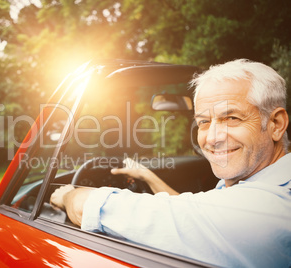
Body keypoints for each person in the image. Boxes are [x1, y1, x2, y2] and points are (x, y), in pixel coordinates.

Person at [50, 59, 291, 267]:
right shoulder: (262, 185)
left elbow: (95, 209)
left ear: (276, 124)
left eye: (232, 118)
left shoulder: (265, 208)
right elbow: (191, 210)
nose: (213, 138)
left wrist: (69, 196)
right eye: (204, 122)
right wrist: (147, 176)